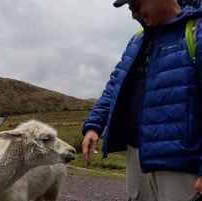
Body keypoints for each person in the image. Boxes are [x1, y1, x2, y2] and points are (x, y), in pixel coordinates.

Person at [81, 0, 202, 200]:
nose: (133, 15)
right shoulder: (136, 41)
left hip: (180, 163)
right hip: (137, 158)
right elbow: (114, 87)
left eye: (135, 5)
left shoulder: (195, 31)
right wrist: (94, 125)